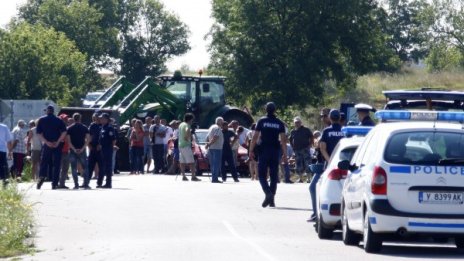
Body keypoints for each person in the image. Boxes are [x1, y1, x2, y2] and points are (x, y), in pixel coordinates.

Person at [249, 102, 287, 208]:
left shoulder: (262, 121)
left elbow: (255, 137)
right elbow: (283, 140)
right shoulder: (279, 123)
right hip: (275, 150)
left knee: (261, 175)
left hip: (264, 150)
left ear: (266, 109)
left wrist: (251, 150)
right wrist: (284, 154)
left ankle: (268, 193)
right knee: (274, 176)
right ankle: (272, 200)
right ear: (275, 110)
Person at [309, 109, 344, 221]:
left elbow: (322, 148)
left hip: (328, 166)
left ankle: (316, 213)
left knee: (313, 186)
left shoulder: (326, 131)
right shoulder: (345, 131)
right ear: (339, 118)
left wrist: (330, 161)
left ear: (330, 117)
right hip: (343, 165)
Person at [36, 105, 67, 190]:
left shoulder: (41, 120)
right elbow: (64, 132)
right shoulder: (59, 120)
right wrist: (57, 142)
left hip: (47, 144)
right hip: (57, 144)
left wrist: (46, 142)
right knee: (56, 164)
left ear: (47, 111)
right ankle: (54, 183)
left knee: (44, 162)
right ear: (53, 111)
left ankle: (41, 180)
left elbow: (39, 133)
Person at [67, 113, 91, 189]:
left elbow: (68, 141)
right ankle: (86, 184)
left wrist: (74, 149)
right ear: (80, 118)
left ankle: (76, 185)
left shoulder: (69, 128)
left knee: (74, 168)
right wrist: (83, 148)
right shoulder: (84, 127)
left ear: (73, 119)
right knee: (85, 167)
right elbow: (88, 139)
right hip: (82, 150)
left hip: (73, 150)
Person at [289, 116, 313, 183]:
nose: (297, 123)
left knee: (307, 163)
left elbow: (311, 137)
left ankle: (309, 178)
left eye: (298, 122)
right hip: (297, 150)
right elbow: (290, 139)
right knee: (298, 164)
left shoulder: (306, 129)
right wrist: (293, 147)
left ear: (301, 122)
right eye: (296, 122)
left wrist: (310, 145)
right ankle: (300, 179)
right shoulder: (293, 131)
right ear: (294, 123)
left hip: (305, 149)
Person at [178, 113, 201, 181]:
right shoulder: (187, 125)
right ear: (190, 119)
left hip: (180, 144)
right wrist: (188, 137)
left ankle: (183, 175)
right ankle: (193, 176)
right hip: (186, 145)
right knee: (191, 162)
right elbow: (187, 130)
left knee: (182, 161)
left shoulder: (181, 124)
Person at [97, 113, 116, 188]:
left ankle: (108, 183)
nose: (100, 119)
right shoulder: (102, 127)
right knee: (102, 166)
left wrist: (110, 148)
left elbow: (113, 140)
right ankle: (100, 182)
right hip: (102, 149)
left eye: (102, 118)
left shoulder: (109, 128)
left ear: (106, 119)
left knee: (108, 166)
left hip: (107, 149)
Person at [205, 117, 224, 183]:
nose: (223, 123)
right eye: (222, 122)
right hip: (217, 148)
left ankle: (214, 177)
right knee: (216, 164)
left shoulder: (211, 127)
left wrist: (207, 144)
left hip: (211, 148)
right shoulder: (218, 128)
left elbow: (207, 137)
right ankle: (215, 178)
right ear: (220, 122)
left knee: (213, 164)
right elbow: (215, 137)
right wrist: (209, 144)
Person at [88, 112, 102, 182]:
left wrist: (100, 145)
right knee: (90, 165)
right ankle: (86, 182)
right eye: (94, 118)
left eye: (97, 118)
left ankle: (99, 180)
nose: (95, 119)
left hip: (100, 148)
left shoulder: (102, 126)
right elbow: (89, 136)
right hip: (92, 147)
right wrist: (89, 145)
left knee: (100, 164)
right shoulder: (92, 126)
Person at [58, 114, 71, 189]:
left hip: (66, 150)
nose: (66, 120)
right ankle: (56, 183)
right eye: (64, 119)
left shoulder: (67, 129)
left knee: (65, 168)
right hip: (59, 151)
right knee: (58, 168)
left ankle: (62, 184)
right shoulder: (57, 129)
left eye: (66, 119)